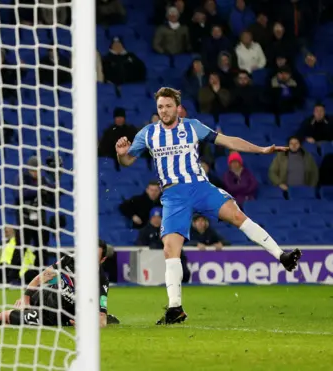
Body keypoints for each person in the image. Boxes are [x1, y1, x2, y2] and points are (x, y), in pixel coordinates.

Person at [114, 87, 302, 325]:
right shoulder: (148, 133)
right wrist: (121, 154)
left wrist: (261, 149)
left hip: (200, 187)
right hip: (174, 195)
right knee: (170, 249)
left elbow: (228, 141)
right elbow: (129, 160)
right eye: (160, 107)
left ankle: (281, 255)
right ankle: (175, 308)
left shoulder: (192, 126)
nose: (163, 111)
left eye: (168, 106)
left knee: (236, 215)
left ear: (177, 107)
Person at [0, 240, 119, 328]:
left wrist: (89, 324)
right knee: (19, 308)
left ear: (101, 260)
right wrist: (26, 297)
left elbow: (100, 320)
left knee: (6, 317)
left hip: (56, 316)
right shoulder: (69, 260)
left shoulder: (100, 281)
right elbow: (41, 278)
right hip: (47, 296)